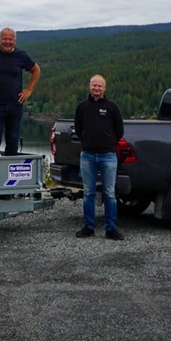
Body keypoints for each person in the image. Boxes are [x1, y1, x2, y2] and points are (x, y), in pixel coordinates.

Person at [74, 74, 125, 240]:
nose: (96, 88)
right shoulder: (82, 107)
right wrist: (88, 142)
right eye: (94, 85)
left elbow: (119, 131)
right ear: (89, 86)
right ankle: (89, 227)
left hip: (108, 156)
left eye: (99, 86)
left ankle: (111, 228)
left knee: (109, 193)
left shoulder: (112, 107)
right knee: (88, 192)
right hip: (87, 155)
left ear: (105, 88)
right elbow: (78, 128)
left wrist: (108, 144)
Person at [0, 27, 41, 155]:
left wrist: (29, 90)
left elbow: (36, 70)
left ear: (15, 41)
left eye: (10, 39)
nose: (7, 42)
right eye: (5, 39)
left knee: (13, 141)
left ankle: (9, 171)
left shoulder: (21, 56)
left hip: (15, 106)